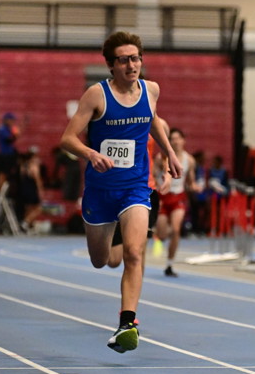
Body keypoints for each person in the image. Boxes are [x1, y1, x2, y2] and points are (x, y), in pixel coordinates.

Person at [60, 31, 180, 354]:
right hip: (100, 192)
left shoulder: (151, 90)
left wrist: (169, 152)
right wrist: (91, 154)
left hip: (135, 188)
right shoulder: (96, 95)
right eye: (124, 60)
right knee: (102, 261)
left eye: (135, 58)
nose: (131, 65)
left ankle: (128, 324)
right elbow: (67, 139)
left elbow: (153, 120)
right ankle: (112, 233)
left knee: (135, 254)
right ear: (111, 65)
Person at [155, 127, 195, 277]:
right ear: (169, 141)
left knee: (176, 229)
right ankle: (161, 234)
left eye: (178, 138)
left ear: (183, 141)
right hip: (163, 197)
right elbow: (153, 175)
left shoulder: (189, 160)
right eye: (173, 139)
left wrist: (194, 186)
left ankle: (170, 264)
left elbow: (190, 181)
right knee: (162, 235)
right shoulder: (161, 157)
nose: (176, 141)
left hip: (178, 197)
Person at [0, 112, 20, 190]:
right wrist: (15, 135)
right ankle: (1, 191)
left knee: (7, 173)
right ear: (6, 120)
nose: (13, 122)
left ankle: (4, 190)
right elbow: (9, 139)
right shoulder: (2, 129)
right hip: (4, 155)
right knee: (2, 173)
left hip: (9, 154)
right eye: (12, 120)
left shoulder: (8, 129)